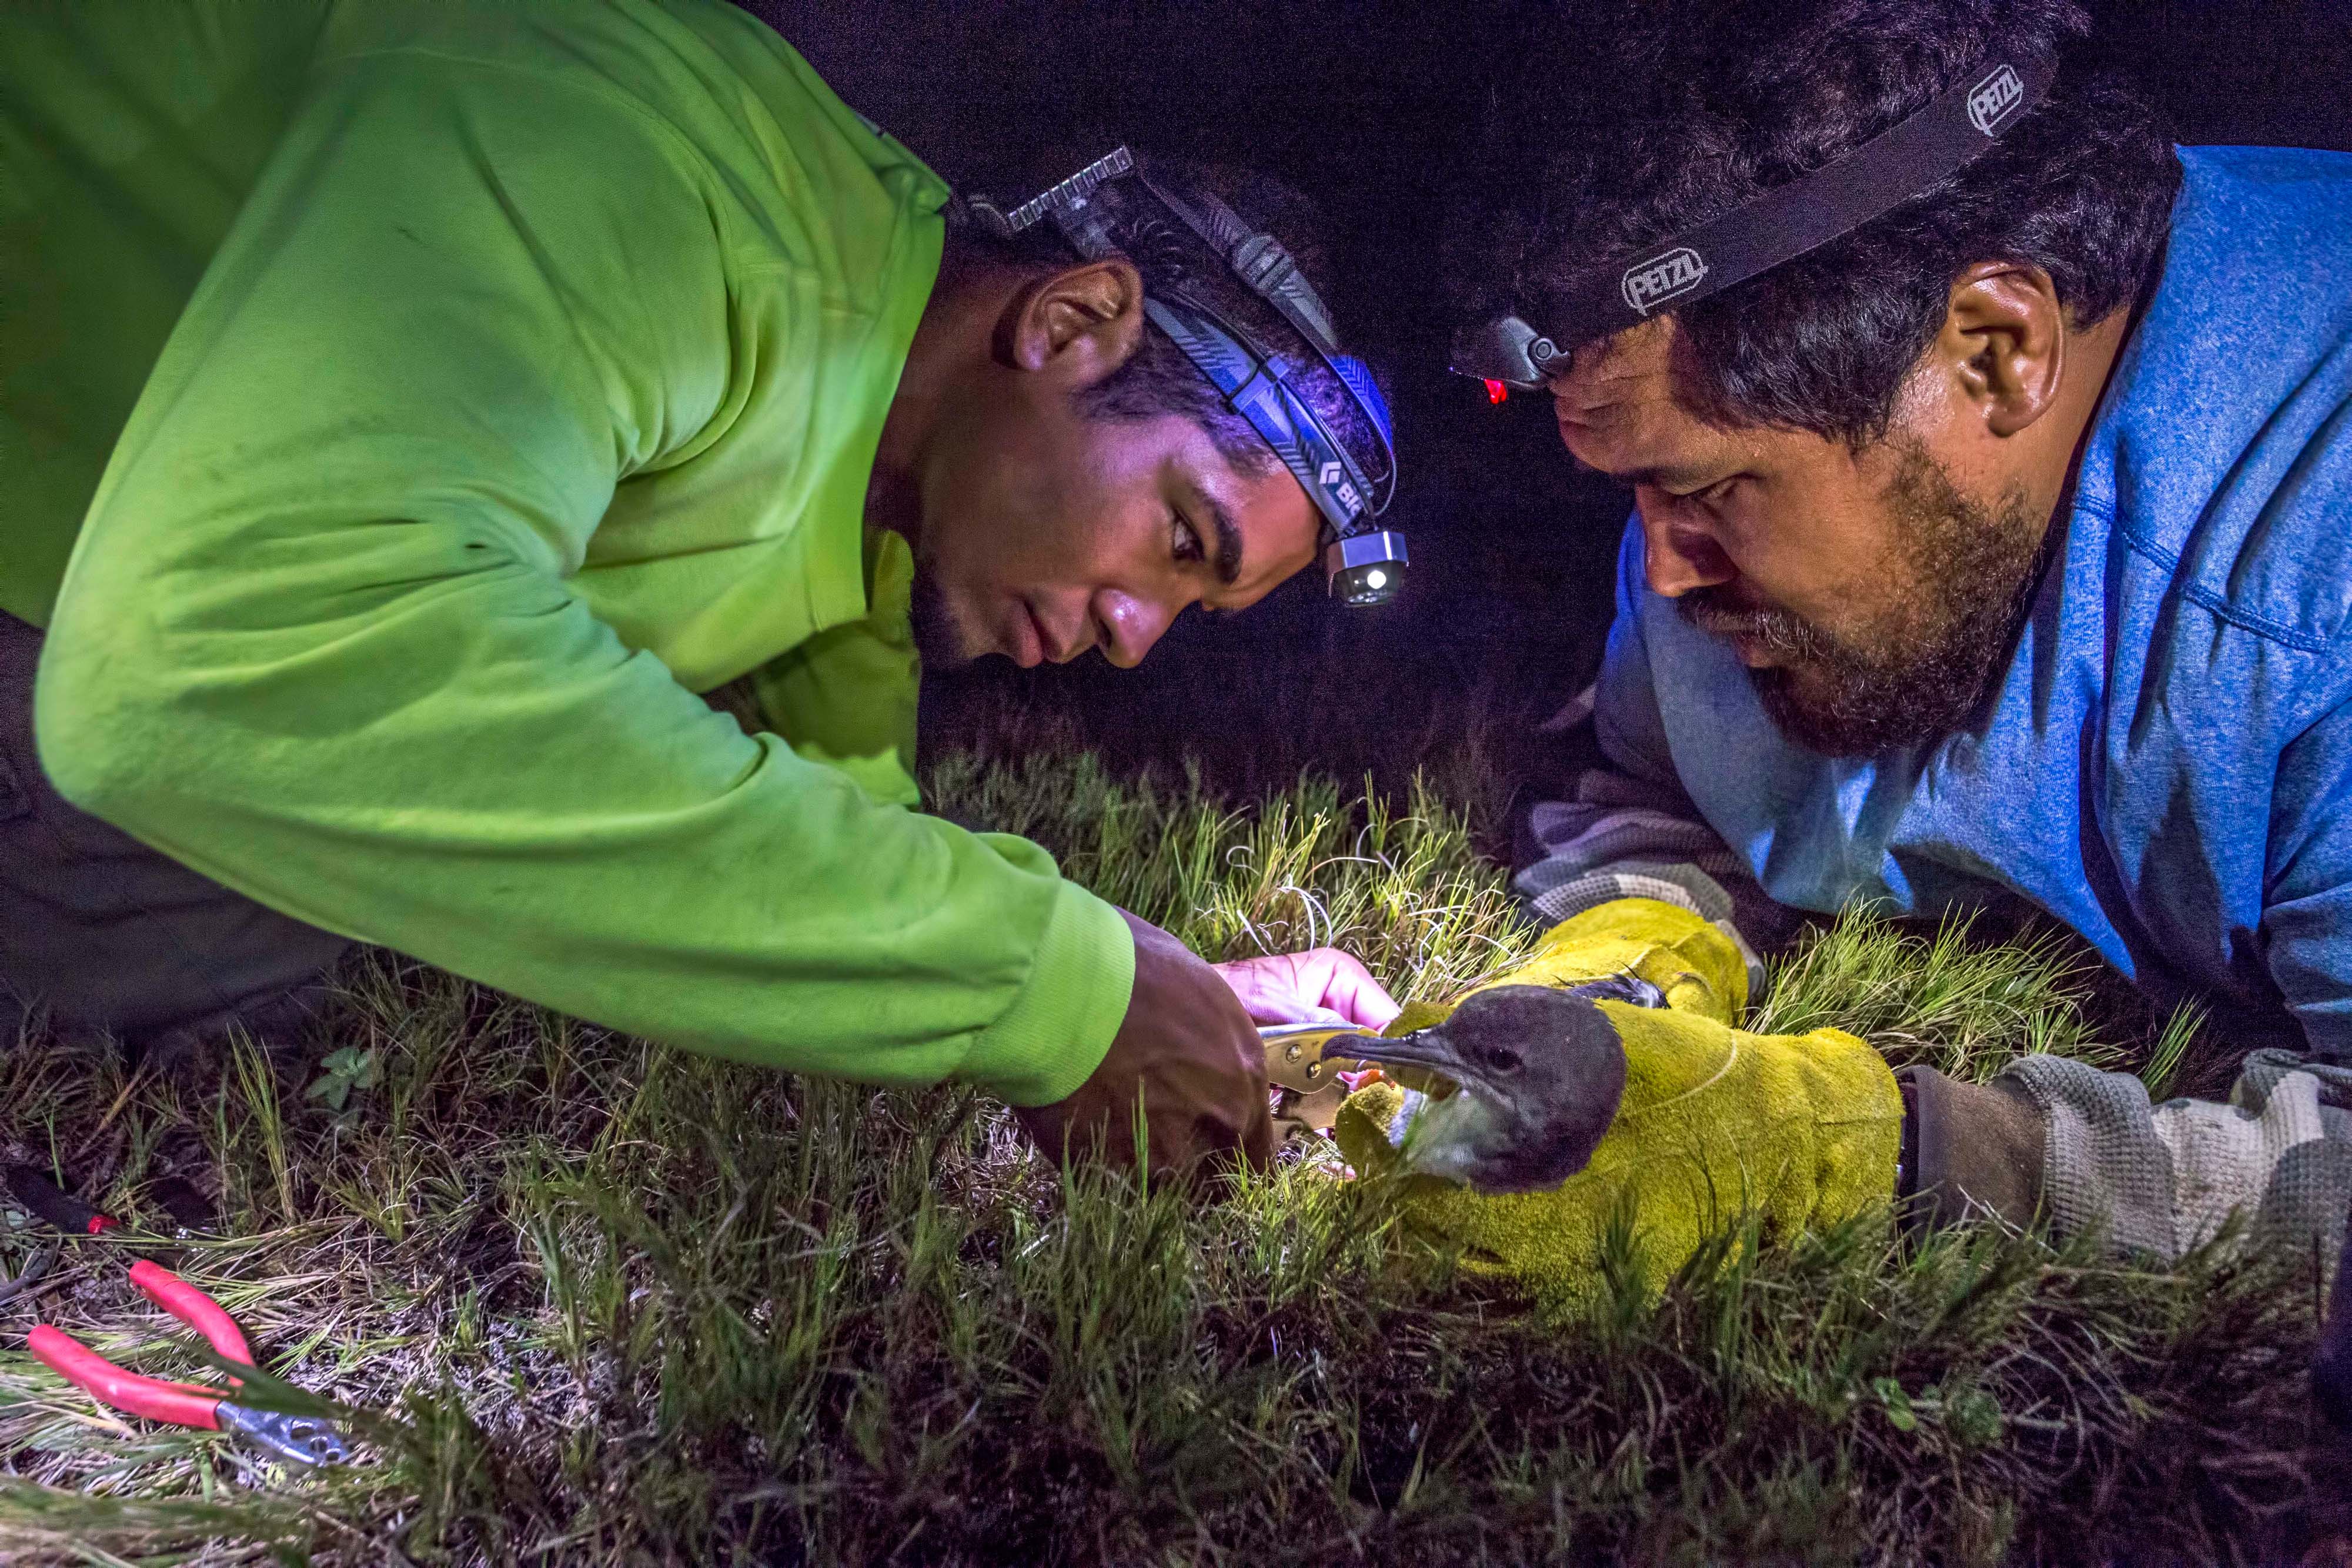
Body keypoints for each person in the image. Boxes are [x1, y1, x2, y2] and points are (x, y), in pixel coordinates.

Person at [0, 0, 1404, 1175]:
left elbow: (829, 853)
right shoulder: (637, 171)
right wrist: (1047, 987)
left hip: (117, 569)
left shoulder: (874, 482)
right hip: (84, 552)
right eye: (1178, 541)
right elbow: (213, 657)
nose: (1131, 638)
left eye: (1188, 617)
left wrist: (1154, 989)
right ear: (1072, 322)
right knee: (253, 961)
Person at [1470, 0, 2350, 1272]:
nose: (1660, 572)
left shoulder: (2310, 577)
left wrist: (1905, 1153)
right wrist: (1619, 960)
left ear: (1994, 351)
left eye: (1711, 493)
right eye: (1639, 492)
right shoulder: (1757, 504)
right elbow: (1646, 778)